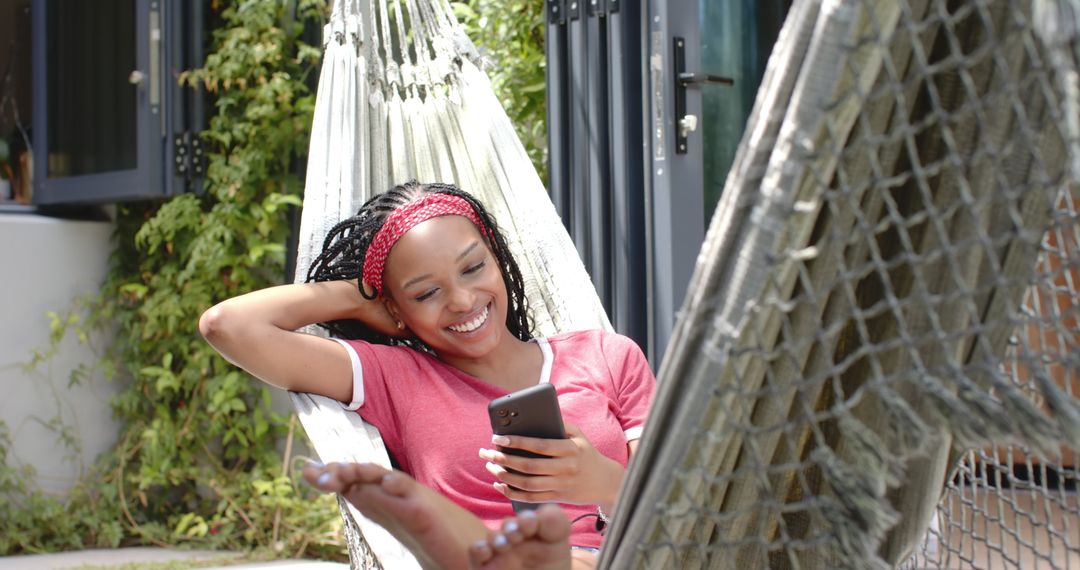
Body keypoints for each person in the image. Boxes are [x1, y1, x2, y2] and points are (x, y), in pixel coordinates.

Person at [199, 181, 655, 568]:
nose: (462, 301)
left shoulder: (606, 356)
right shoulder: (396, 378)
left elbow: (679, 512)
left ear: (497, 257)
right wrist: (359, 298)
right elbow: (229, 326)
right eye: (426, 293)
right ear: (394, 309)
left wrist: (604, 482)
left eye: (473, 267)